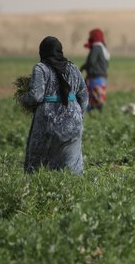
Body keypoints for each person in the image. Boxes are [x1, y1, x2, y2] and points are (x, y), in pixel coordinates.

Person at [20, 36, 88, 174]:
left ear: (42, 51)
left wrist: (23, 98)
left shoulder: (41, 68)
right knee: (72, 167)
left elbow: (36, 96)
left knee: (38, 166)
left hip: (48, 123)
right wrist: (77, 116)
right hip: (73, 122)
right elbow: (84, 96)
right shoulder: (73, 68)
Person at [80, 28, 110, 112]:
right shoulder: (103, 48)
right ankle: (99, 115)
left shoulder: (96, 47)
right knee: (99, 98)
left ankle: (94, 114)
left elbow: (91, 61)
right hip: (103, 78)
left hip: (95, 77)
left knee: (93, 99)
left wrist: (82, 68)